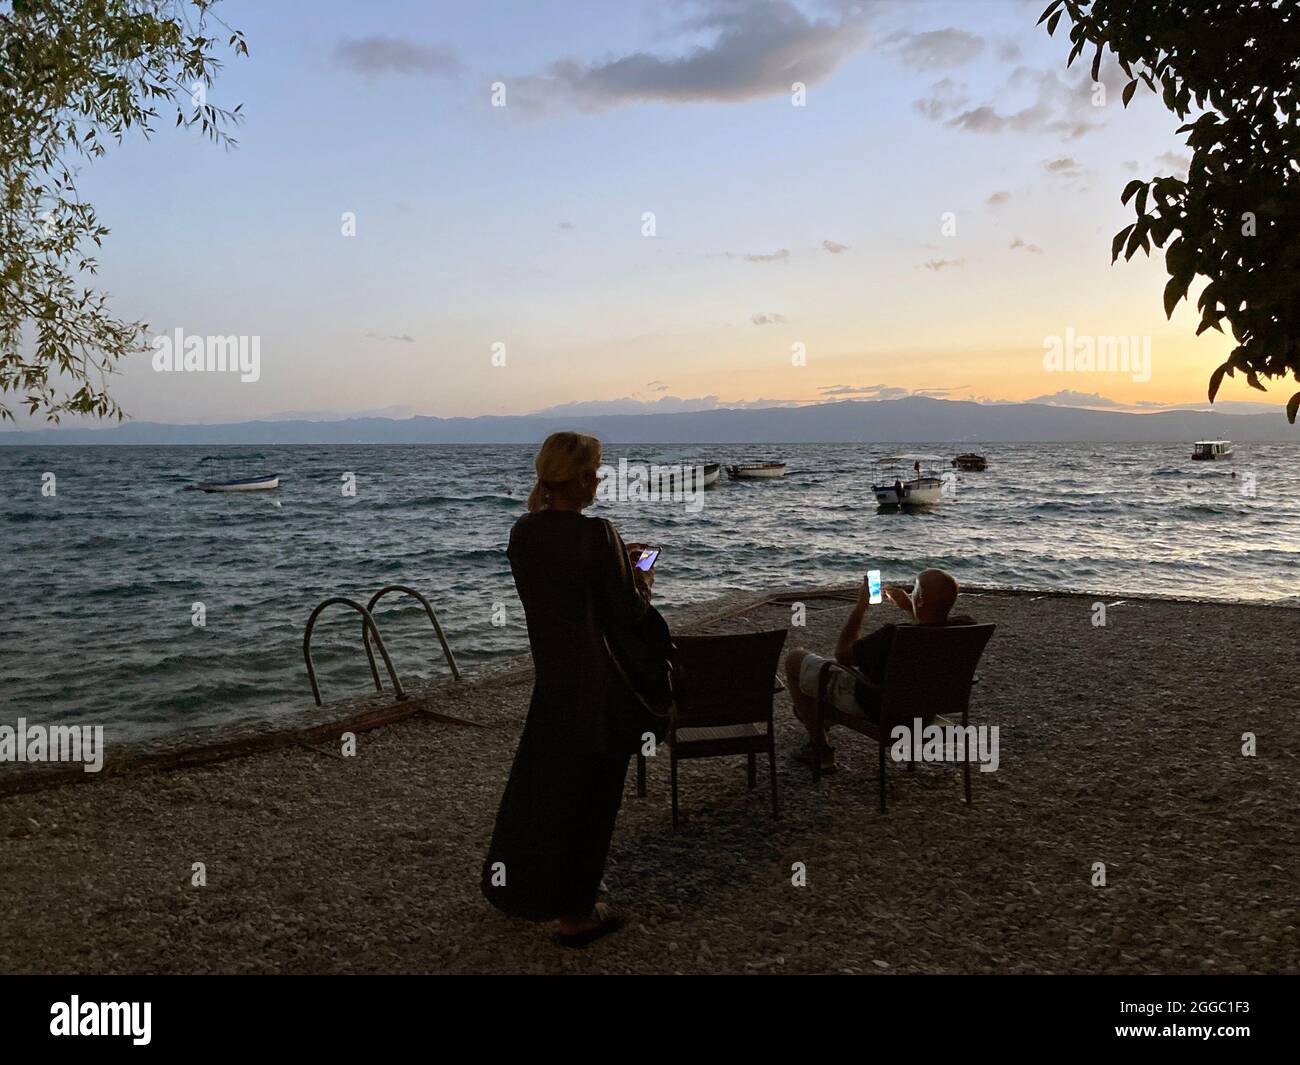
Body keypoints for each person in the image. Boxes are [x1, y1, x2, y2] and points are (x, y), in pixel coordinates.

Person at [481, 431, 663, 947]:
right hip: (598, 686)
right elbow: (629, 613)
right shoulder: (597, 534)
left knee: (541, 793)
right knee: (590, 799)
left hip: (553, 680)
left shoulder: (523, 533)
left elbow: (562, 595)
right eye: (598, 469)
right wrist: (641, 574)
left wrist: (614, 567)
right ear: (582, 478)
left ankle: (526, 888)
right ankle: (576, 913)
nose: (601, 477)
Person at [784, 569, 972, 771]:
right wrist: (910, 607)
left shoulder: (893, 636)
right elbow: (930, 627)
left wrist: (860, 607)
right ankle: (817, 717)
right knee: (821, 672)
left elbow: (842, 655)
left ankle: (819, 748)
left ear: (921, 600)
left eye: (915, 589)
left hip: (876, 706)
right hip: (924, 711)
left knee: (795, 659)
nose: (912, 591)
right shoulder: (964, 630)